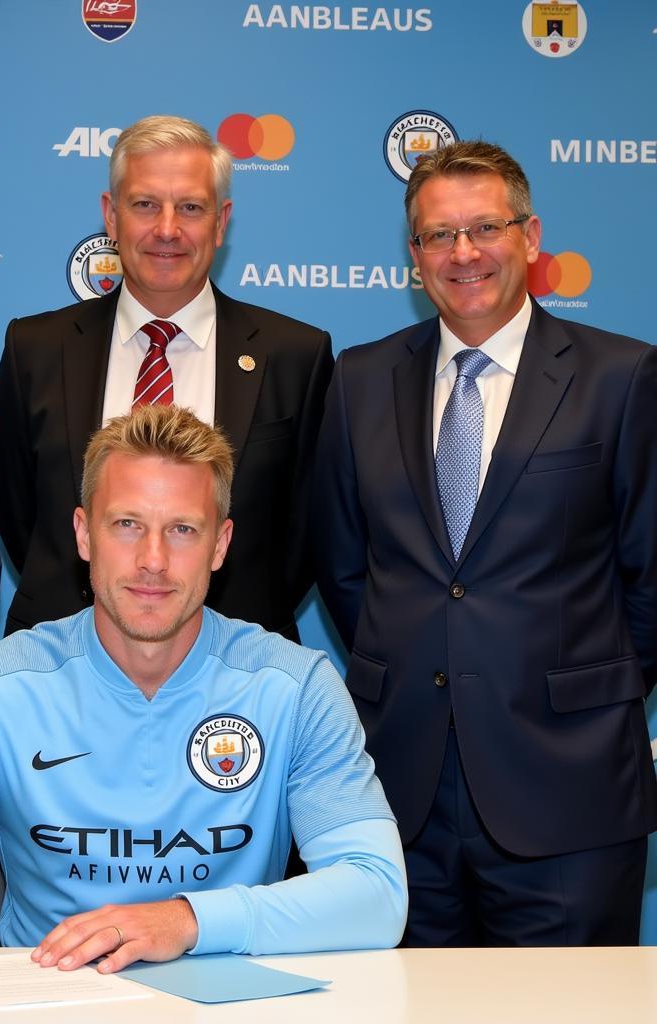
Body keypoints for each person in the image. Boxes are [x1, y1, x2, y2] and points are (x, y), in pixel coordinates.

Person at [0, 404, 406, 972]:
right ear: (84, 534)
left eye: (182, 529)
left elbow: (378, 894)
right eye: (127, 525)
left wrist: (185, 921)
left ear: (221, 545)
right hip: (46, 1005)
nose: (152, 561)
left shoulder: (295, 687)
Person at [313, 140, 657, 946]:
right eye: (439, 235)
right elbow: (344, 567)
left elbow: (650, 577)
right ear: (414, 256)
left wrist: (581, 689)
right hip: (403, 794)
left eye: (485, 228)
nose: (463, 253)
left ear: (531, 237)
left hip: (567, 793)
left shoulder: (622, 377)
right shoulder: (360, 380)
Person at [0, 115, 333, 640]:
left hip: (243, 664)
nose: (167, 229)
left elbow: (307, 536)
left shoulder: (296, 356)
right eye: (145, 204)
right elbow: (22, 520)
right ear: (111, 215)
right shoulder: (34, 349)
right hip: (58, 662)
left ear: (221, 222)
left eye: (191, 208)